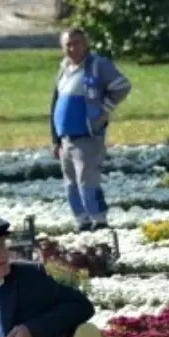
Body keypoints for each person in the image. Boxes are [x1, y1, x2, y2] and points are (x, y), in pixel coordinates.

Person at [49, 28, 132, 232]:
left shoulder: (97, 65)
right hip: (65, 138)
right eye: (67, 44)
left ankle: (99, 219)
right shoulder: (64, 69)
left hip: (88, 136)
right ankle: (82, 221)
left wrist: (105, 110)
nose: (72, 48)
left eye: (76, 43)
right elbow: (55, 103)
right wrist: (55, 139)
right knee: (70, 183)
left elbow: (122, 86)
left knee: (87, 180)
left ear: (86, 44)